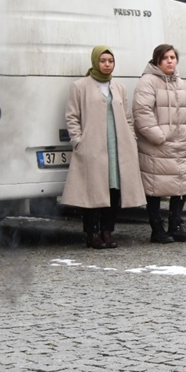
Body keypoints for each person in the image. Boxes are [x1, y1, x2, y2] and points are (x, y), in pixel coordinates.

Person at [62, 46, 146, 249]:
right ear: (94, 62)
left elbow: (126, 116)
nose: (107, 64)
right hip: (92, 146)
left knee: (113, 188)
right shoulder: (80, 86)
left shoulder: (118, 87)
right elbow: (72, 116)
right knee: (92, 190)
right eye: (103, 61)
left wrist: (131, 137)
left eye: (110, 61)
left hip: (118, 145)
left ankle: (107, 231)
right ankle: (92, 233)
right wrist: (78, 140)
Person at [133, 44, 186, 244]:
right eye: (166, 58)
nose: (170, 61)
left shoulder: (180, 83)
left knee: (180, 185)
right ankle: (157, 228)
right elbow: (142, 113)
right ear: (157, 61)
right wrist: (158, 136)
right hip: (157, 146)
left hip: (180, 143)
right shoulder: (147, 82)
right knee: (155, 187)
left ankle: (175, 226)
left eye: (173, 57)